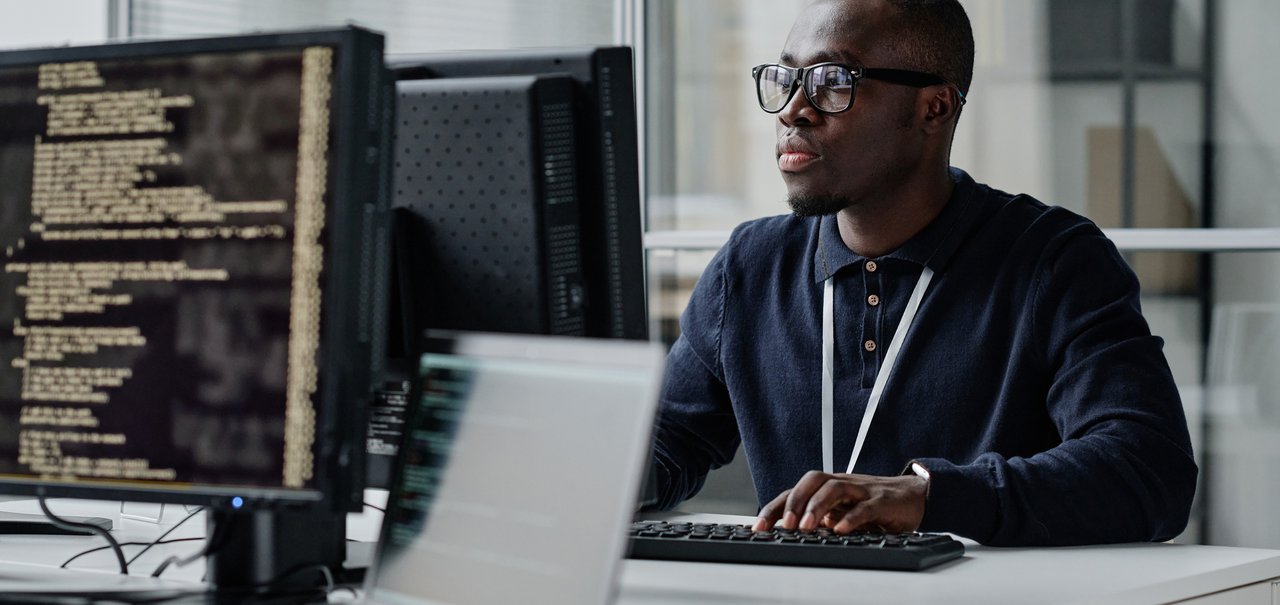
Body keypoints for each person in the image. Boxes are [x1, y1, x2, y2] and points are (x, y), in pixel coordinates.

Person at [649, 0, 1198, 547]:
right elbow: (664, 447)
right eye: (786, 78)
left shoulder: (1054, 261)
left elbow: (1148, 469)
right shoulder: (749, 266)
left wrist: (929, 497)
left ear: (933, 109)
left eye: (831, 81)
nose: (793, 109)